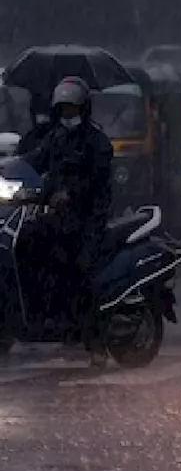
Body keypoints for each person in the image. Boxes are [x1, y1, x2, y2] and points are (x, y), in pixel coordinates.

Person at [21, 77, 114, 367]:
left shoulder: (96, 142)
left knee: (81, 270)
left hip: (88, 218)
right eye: (63, 110)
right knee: (26, 243)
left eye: (72, 110)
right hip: (58, 217)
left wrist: (70, 194)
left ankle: (95, 341)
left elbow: (97, 181)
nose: (67, 115)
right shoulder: (54, 138)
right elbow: (34, 160)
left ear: (83, 109)